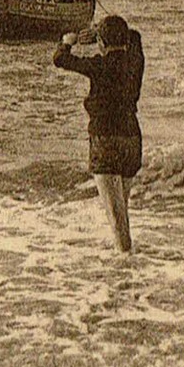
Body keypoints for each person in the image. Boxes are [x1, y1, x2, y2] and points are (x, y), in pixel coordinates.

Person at [55, 15, 146, 253]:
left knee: (118, 224)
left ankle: (126, 274)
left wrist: (68, 41)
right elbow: (135, 37)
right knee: (121, 214)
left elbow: (60, 59)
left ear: (102, 44)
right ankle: (130, 267)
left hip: (105, 140)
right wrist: (101, 33)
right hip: (131, 139)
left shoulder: (98, 64)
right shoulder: (135, 62)